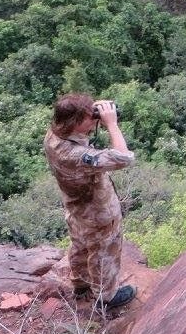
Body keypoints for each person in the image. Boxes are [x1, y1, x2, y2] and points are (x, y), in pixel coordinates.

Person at [44, 93, 136, 311]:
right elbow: (124, 158)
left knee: (80, 243)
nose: (96, 118)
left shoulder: (53, 135)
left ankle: (81, 283)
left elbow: (74, 122)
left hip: (75, 206)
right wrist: (111, 124)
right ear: (75, 123)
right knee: (104, 249)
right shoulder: (75, 155)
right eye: (89, 117)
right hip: (97, 210)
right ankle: (107, 296)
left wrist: (86, 112)